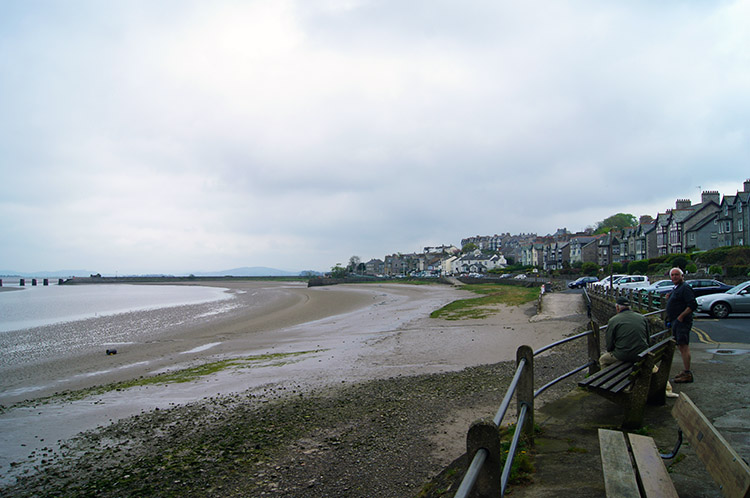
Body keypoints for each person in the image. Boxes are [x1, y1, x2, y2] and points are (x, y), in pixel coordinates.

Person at [666, 267, 697, 383]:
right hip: (676, 322)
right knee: (681, 346)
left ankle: (687, 373)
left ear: (682, 276)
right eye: (672, 275)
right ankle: (685, 371)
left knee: (684, 347)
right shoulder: (677, 288)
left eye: (676, 275)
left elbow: (693, 304)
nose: (674, 277)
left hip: (682, 323)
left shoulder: (685, 288)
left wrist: (681, 316)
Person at [599, 296, 650, 367]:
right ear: (630, 307)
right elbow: (648, 337)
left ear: (617, 307)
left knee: (602, 360)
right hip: (642, 352)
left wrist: (611, 350)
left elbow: (609, 342)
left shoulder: (613, 320)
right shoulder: (642, 318)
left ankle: (607, 377)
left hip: (624, 355)